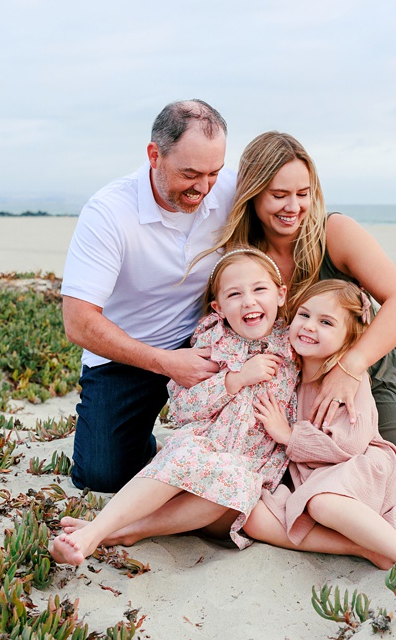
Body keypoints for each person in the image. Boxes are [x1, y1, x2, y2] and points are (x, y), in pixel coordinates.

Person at [204, 131, 396, 499]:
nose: (293, 207)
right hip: (292, 385)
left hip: (368, 369)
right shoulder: (240, 255)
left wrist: (349, 369)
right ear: (253, 193)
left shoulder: (335, 232)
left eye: (303, 194)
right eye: (279, 195)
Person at [50, 248, 298, 565]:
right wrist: (234, 380)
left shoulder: (294, 344)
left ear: (281, 295)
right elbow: (183, 408)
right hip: (206, 445)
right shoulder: (214, 344)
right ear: (218, 308)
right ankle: (95, 532)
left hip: (251, 468)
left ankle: (130, 530)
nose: (249, 301)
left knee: (234, 485)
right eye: (235, 294)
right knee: (184, 455)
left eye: (259, 289)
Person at [61, 99, 236, 493]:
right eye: (189, 174)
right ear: (154, 155)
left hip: (208, 340)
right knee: (101, 475)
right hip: (131, 353)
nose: (204, 188)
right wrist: (167, 363)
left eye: (214, 172)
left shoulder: (227, 188)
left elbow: (289, 214)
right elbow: (78, 321)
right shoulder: (108, 212)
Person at [249, 279, 396, 592]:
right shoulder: (293, 372)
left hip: (364, 467)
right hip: (314, 475)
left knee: (321, 504)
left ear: (349, 337)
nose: (309, 326)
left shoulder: (347, 381)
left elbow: (350, 445)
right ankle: (361, 547)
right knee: (251, 515)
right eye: (304, 315)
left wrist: (289, 436)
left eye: (326, 322)